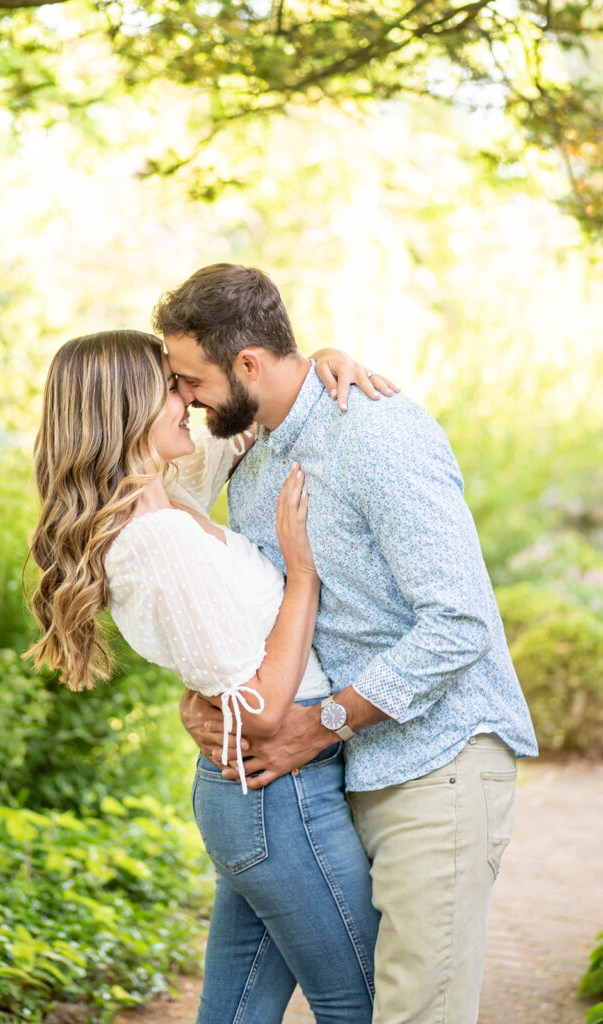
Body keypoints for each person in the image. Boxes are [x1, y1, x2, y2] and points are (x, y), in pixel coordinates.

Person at [153, 263, 539, 1024]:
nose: (184, 399)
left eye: (190, 380)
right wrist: (210, 700)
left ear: (248, 364)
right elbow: (240, 602)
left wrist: (322, 721)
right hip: (338, 771)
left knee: (410, 1013)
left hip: (438, 761)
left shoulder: (374, 432)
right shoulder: (250, 451)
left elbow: (458, 620)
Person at [25, 329, 393, 1024]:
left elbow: (254, 398)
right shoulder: (155, 536)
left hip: (260, 797)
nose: (188, 400)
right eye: (171, 389)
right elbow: (254, 709)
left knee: (236, 1010)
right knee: (363, 1001)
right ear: (126, 411)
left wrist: (318, 361)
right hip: (278, 795)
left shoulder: (165, 497)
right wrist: (302, 577)